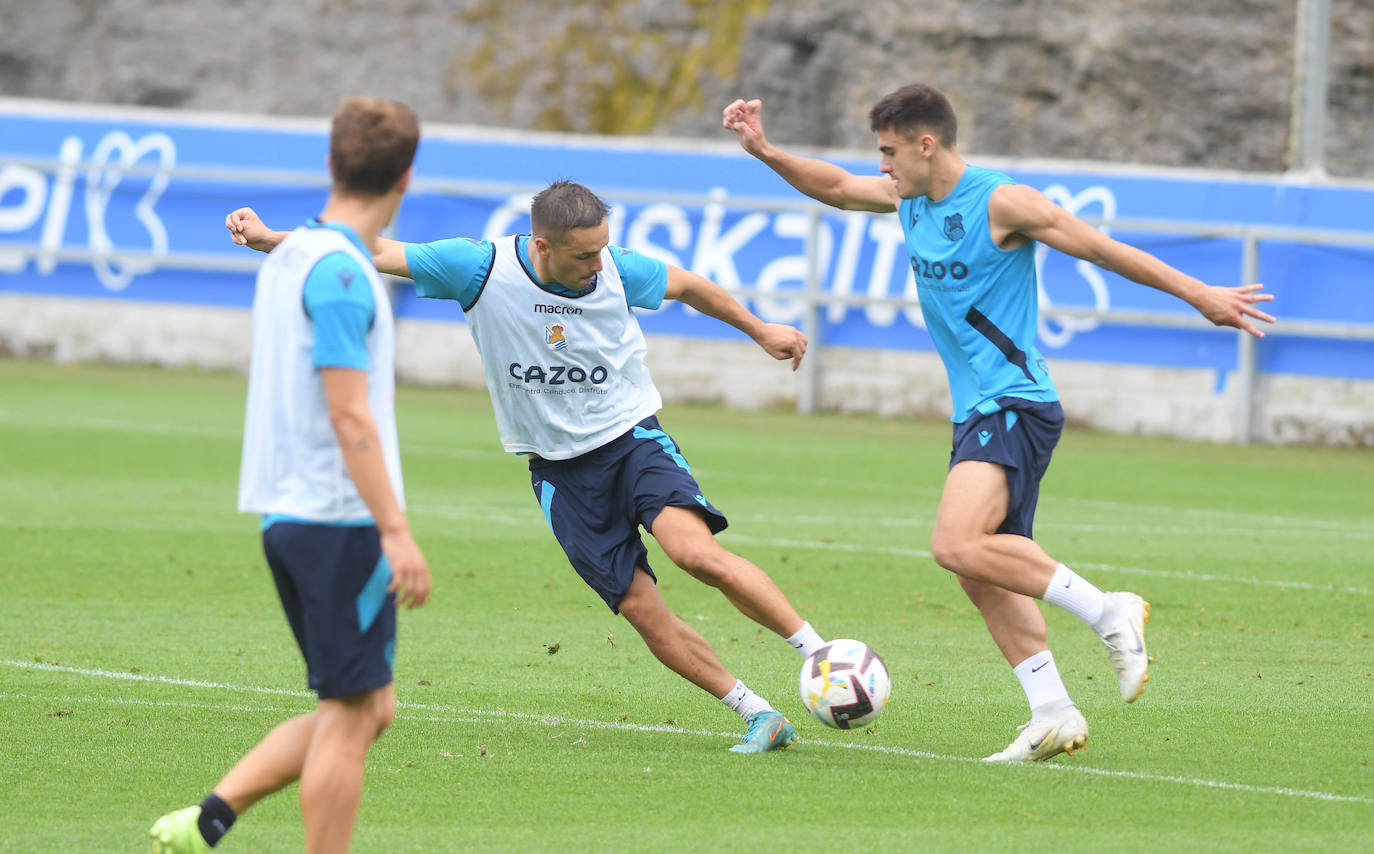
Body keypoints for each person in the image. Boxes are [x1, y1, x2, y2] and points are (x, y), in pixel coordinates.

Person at [723, 85, 1275, 762]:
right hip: (978, 412)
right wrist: (764, 150)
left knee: (954, 543)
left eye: (890, 152)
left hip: (1015, 402)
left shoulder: (1001, 203)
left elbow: (1099, 249)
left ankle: (1110, 611)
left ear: (928, 144)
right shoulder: (908, 197)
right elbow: (836, 186)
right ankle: (1051, 712)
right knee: (982, 570)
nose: (883, 167)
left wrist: (1202, 296)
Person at [226, 179, 828, 754]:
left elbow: (691, 286)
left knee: (694, 553)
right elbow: (375, 249)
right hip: (559, 473)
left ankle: (823, 657)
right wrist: (275, 239)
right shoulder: (481, 268)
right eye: (583, 255)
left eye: (601, 249)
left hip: (631, 438)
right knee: (642, 609)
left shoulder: (618, 268)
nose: (598, 264)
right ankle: (757, 713)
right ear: (541, 245)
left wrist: (760, 329)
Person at [149, 97, 433, 853]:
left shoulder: (299, 254)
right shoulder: (342, 275)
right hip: (337, 520)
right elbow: (349, 415)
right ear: (408, 175)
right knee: (349, 716)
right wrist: (396, 530)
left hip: (290, 513)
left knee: (369, 709)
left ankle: (208, 818)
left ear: (331, 163)